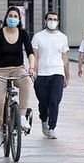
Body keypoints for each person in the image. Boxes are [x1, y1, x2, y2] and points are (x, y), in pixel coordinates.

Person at [0, 6, 36, 148]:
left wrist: (31, 68)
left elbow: (30, 53)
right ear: (6, 17)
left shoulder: (23, 34)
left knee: (26, 81)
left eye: (15, 16)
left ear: (19, 19)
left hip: (17, 69)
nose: (12, 19)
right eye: (10, 16)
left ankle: (21, 116)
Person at [32, 11, 69, 139]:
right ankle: (44, 119)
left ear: (58, 22)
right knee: (43, 102)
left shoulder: (63, 37)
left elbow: (65, 58)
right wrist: (33, 72)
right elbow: (35, 57)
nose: (52, 21)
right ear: (45, 20)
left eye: (55, 19)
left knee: (54, 100)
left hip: (58, 72)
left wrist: (67, 76)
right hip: (42, 74)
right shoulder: (38, 37)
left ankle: (52, 127)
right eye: (50, 19)